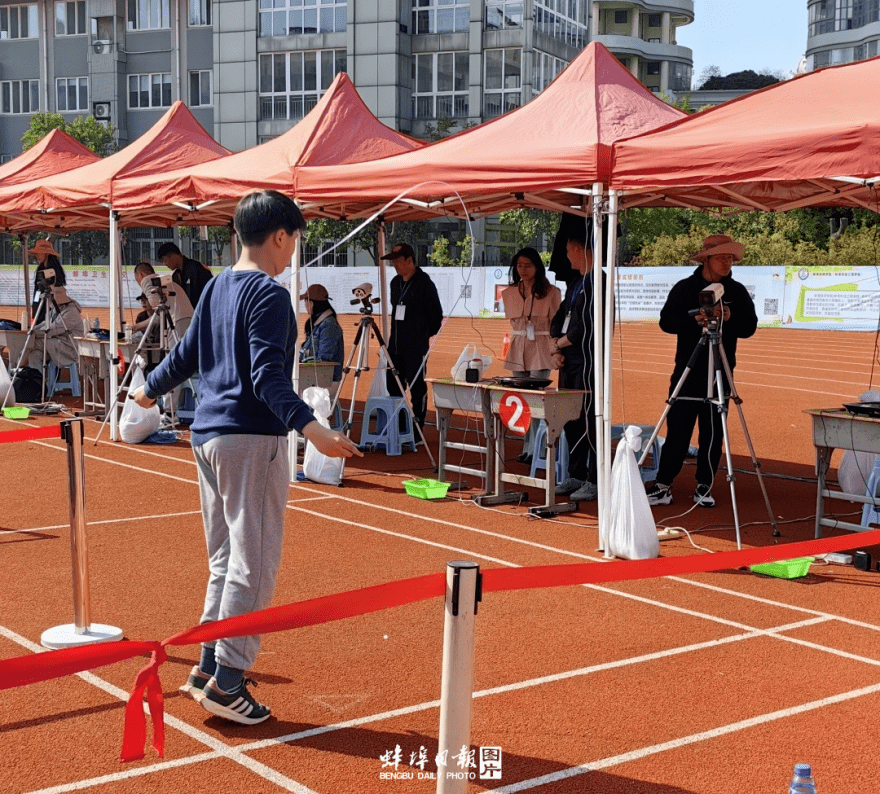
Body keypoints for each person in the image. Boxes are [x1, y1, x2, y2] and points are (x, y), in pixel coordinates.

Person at [132, 190, 362, 725]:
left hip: (207, 435)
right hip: (249, 440)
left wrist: (147, 391)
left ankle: (208, 663)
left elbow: (184, 356)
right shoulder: (269, 294)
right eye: (293, 241)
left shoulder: (215, 287)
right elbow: (267, 377)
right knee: (253, 565)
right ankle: (229, 681)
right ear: (279, 235)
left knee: (224, 561)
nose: (292, 253)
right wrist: (314, 430)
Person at [645, 234, 757, 508]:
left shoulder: (737, 292)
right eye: (721, 257)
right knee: (678, 430)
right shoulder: (685, 288)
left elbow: (750, 327)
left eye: (730, 258)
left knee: (713, 432)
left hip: (720, 370)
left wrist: (729, 319)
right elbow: (666, 322)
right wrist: (693, 318)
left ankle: (704, 485)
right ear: (706, 258)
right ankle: (663, 485)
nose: (727, 263)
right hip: (688, 368)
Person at [549, 223, 600, 503]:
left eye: (569, 251)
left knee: (589, 420)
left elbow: (585, 327)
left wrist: (558, 343)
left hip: (588, 362)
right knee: (571, 420)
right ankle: (577, 473)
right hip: (568, 362)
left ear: (580, 249)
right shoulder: (575, 284)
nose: (567, 258)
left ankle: (593, 478)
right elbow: (559, 319)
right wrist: (554, 347)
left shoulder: (596, 281)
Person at [501, 247, 562, 463]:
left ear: (537, 266)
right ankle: (527, 447)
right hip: (518, 346)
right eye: (519, 265)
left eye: (528, 265)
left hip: (541, 346)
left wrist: (556, 348)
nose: (523, 270)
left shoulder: (552, 292)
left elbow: (557, 323)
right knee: (520, 399)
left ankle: (539, 448)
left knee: (537, 398)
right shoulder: (508, 293)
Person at [381, 242, 443, 429]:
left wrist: (421, 334)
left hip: (416, 347)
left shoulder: (424, 283)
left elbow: (436, 316)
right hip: (395, 346)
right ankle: (400, 426)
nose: (394, 265)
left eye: (398, 261)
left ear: (409, 260)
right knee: (394, 387)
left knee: (416, 388)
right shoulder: (395, 283)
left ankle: (418, 427)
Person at [299, 283, 345, 398]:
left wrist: (303, 356)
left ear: (311, 303)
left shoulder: (328, 326)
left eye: (305, 301)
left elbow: (324, 360)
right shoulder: (317, 323)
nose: (305, 305)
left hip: (326, 381)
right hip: (314, 377)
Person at [27, 285, 84, 374]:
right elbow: (44, 324)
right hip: (55, 344)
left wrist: (33, 334)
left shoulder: (71, 311)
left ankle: (15, 367)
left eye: (50, 298)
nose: (48, 301)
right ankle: (37, 383)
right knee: (33, 355)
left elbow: (52, 329)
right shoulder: (55, 309)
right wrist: (31, 329)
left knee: (31, 343)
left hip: (68, 348)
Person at [132, 261, 194, 341]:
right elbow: (158, 316)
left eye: (137, 280)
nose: (140, 284)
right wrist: (137, 327)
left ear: (141, 275)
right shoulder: (166, 281)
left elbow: (155, 304)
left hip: (177, 321)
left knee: (175, 350)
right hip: (188, 319)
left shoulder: (147, 280)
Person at [156, 241, 213, 309]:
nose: (165, 264)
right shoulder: (175, 276)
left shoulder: (196, 268)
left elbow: (210, 292)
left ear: (173, 255)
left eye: (165, 260)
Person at [28, 239, 67, 324]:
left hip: (49, 306)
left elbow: (57, 289)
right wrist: (35, 306)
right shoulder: (40, 269)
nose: (37, 256)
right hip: (39, 304)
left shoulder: (54, 271)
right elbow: (37, 290)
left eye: (39, 253)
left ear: (46, 253)